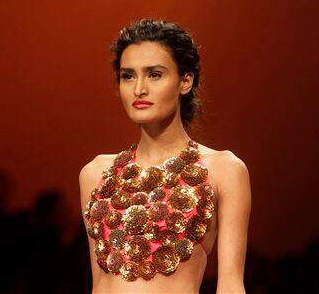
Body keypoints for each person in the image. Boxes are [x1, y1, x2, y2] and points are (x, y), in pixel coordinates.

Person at [79, 19, 251, 293]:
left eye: (155, 74)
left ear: (185, 81)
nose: (139, 89)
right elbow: (99, 283)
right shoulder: (95, 173)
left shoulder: (224, 170)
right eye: (128, 75)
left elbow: (230, 285)